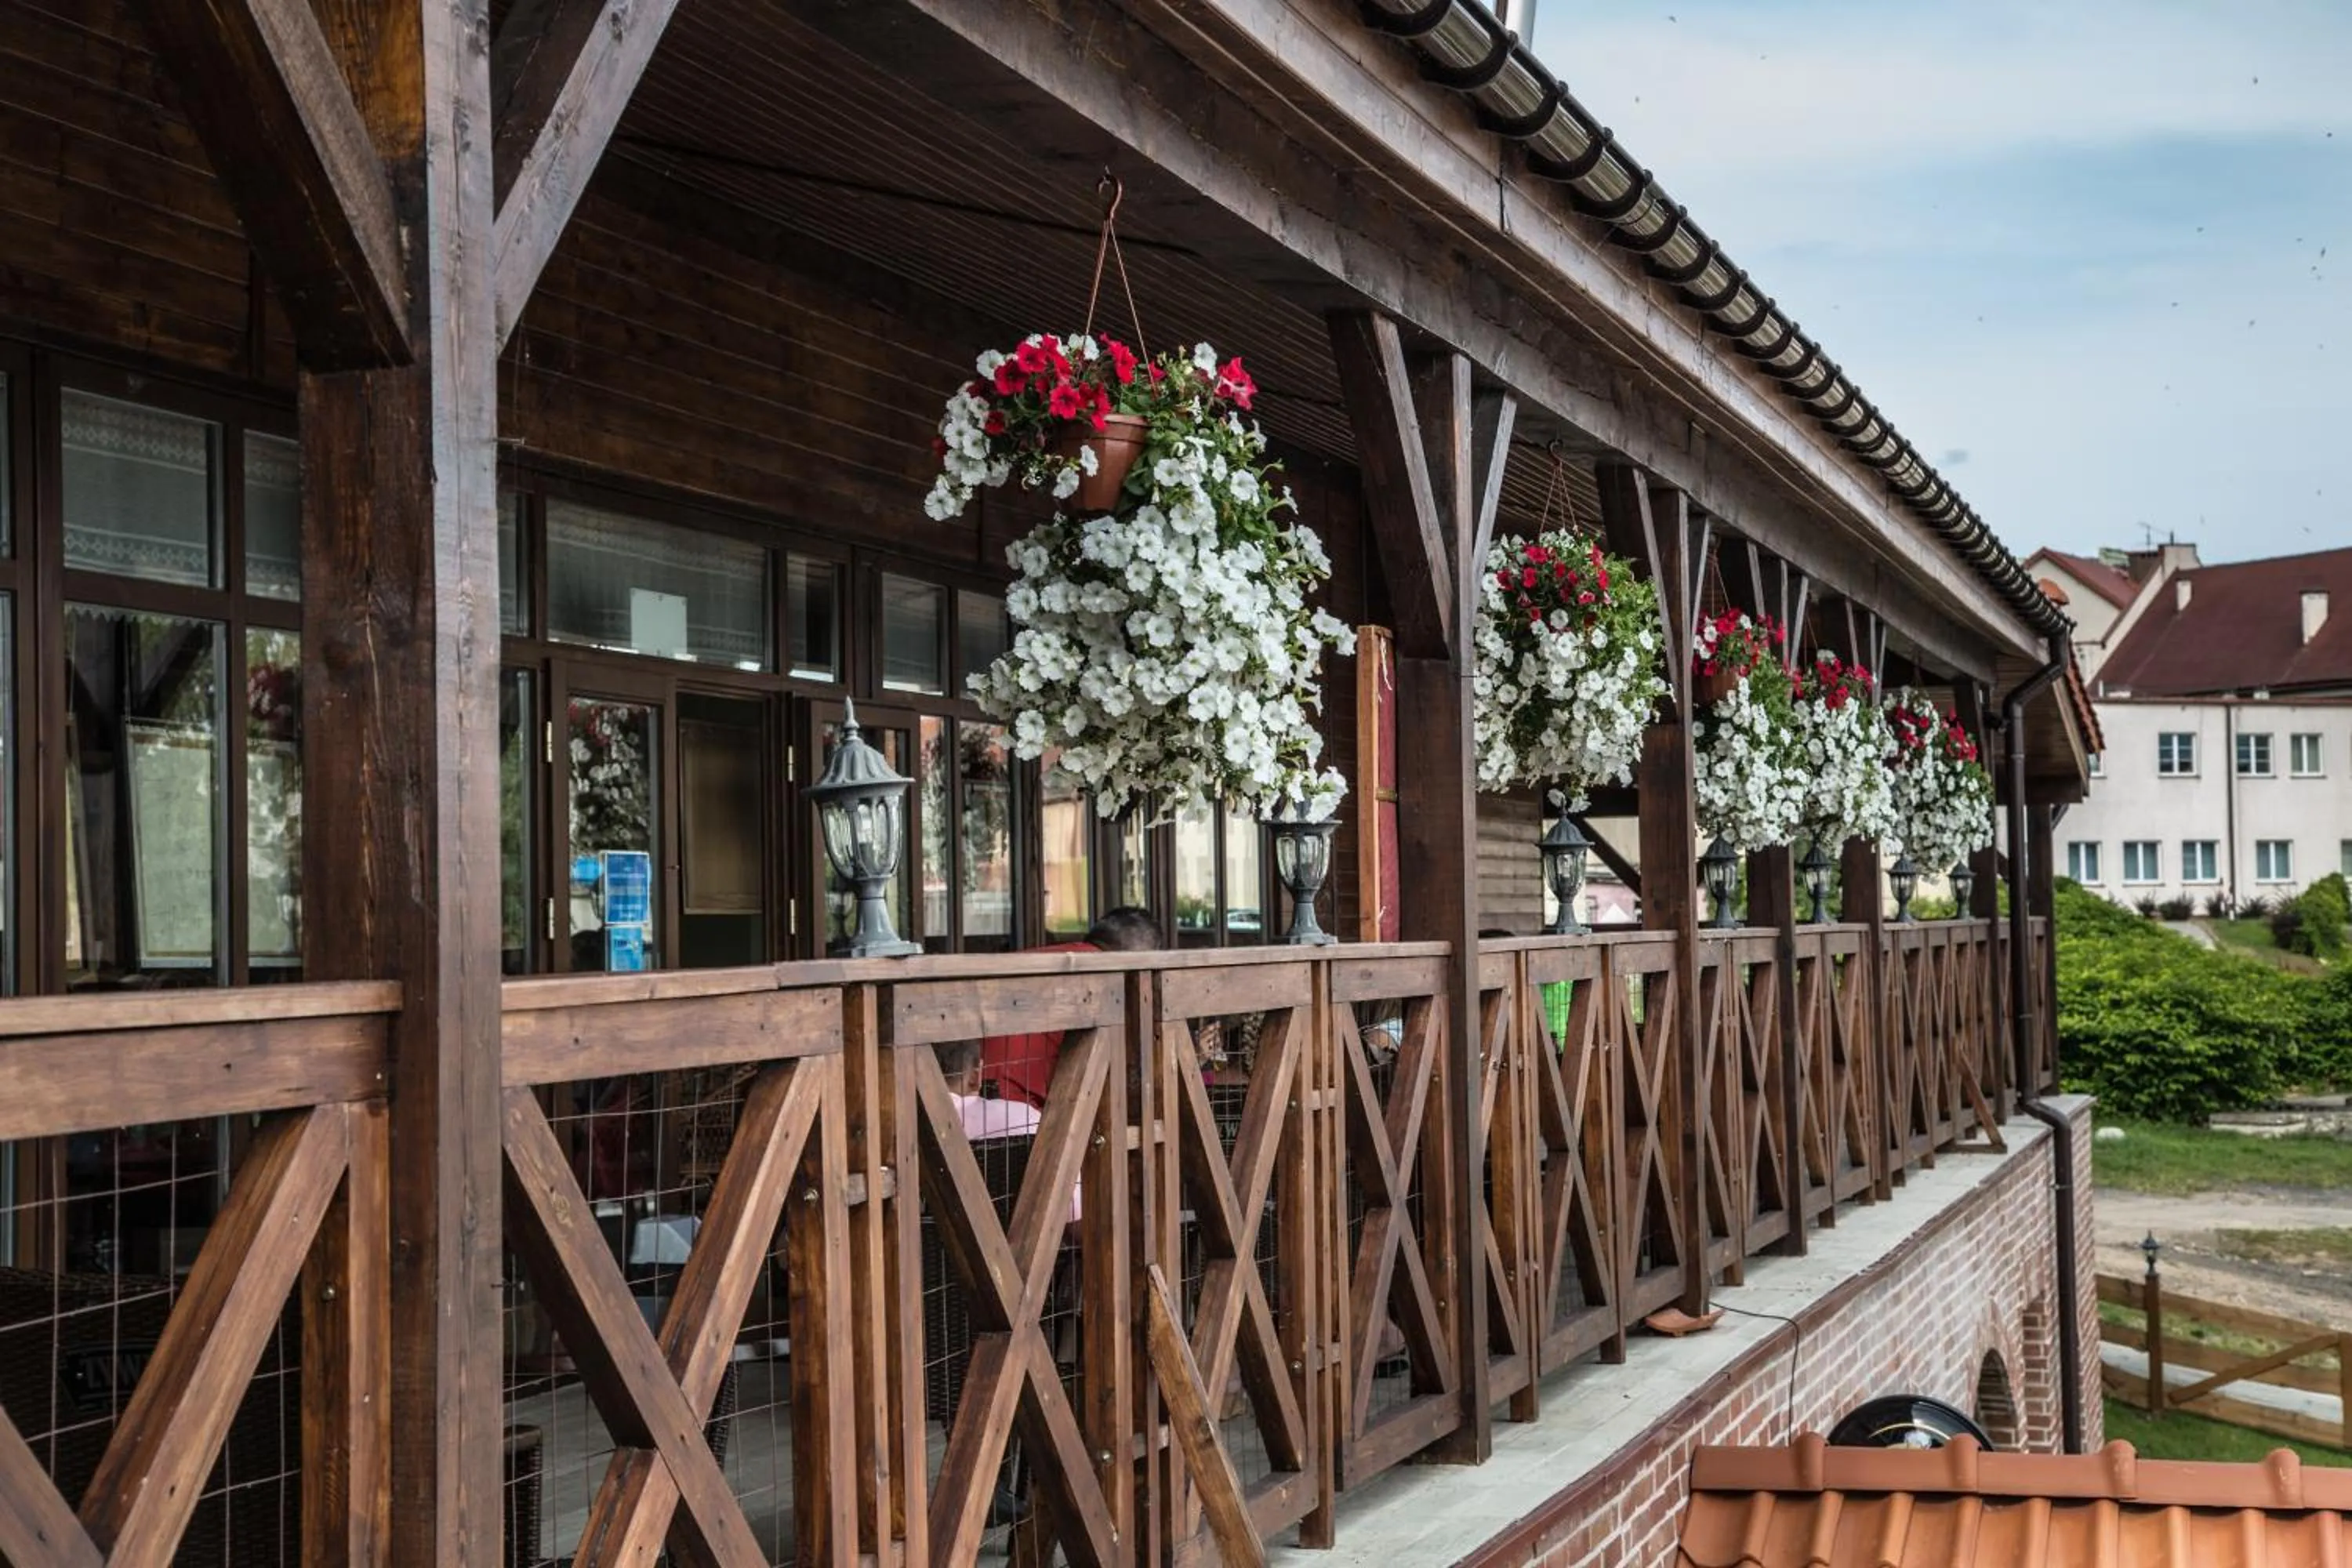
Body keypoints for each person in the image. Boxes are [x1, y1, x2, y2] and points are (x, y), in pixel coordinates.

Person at [980, 906, 1160, 1109]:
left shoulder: (1044, 958)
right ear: (1142, 956)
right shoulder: (1108, 978)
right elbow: (1127, 1073)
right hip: (1031, 1119)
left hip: (970, 1104)